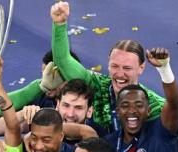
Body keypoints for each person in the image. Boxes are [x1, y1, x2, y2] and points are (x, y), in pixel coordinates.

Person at [50, 1, 165, 134]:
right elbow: (62, 60)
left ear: (141, 68)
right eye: (114, 66)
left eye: (127, 68)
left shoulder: (156, 106)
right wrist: (59, 24)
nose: (120, 74)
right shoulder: (96, 85)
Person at [0, 79, 106, 142]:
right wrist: (24, 114)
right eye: (66, 105)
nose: (70, 114)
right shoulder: (47, 119)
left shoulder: (99, 134)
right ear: (58, 105)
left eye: (78, 108)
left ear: (89, 111)